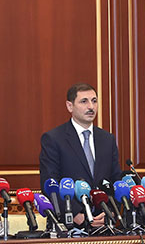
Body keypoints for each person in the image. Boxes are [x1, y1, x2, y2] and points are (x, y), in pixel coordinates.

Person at [39, 83, 122, 227]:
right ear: (70, 106)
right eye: (84, 101)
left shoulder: (107, 139)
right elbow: (50, 184)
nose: (91, 107)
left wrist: (110, 212)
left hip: (104, 222)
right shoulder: (53, 139)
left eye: (94, 101)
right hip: (70, 224)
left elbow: (116, 180)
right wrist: (77, 215)